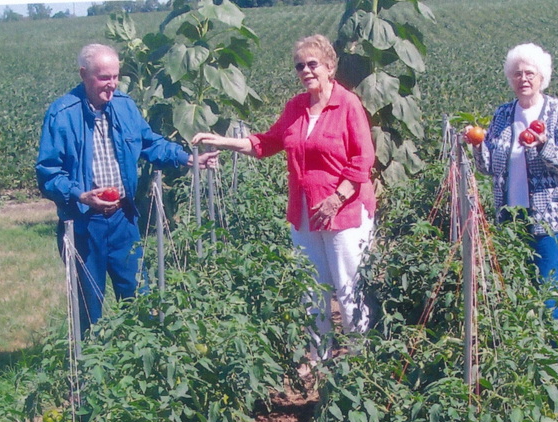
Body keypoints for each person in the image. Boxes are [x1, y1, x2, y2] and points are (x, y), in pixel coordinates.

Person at [192, 34, 376, 361]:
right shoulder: (295, 107)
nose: (305, 70)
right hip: (304, 214)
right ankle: (320, 363)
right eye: (299, 66)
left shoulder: (347, 104)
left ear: (330, 66)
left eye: (312, 64)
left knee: (349, 293)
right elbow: (266, 143)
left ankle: (361, 367)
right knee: (311, 294)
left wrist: (336, 198)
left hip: (344, 213)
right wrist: (223, 141)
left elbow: (363, 159)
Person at [36, 43, 218, 333]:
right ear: (84, 74)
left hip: (123, 220)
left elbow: (150, 143)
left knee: (139, 299)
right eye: (103, 78)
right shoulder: (63, 114)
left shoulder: (124, 106)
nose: (111, 85)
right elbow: (48, 173)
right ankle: (87, 373)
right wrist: (80, 195)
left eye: (115, 77)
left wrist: (188, 158)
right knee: (88, 307)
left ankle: (138, 366)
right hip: (84, 223)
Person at [472, 43, 558, 362]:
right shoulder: (504, 114)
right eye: (517, 73)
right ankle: (528, 363)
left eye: (529, 73)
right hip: (512, 221)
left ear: (541, 76)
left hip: (552, 222)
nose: (523, 79)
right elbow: (489, 165)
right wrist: (477, 144)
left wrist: (544, 144)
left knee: (550, 296)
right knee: (519, 294)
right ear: (510, 77)